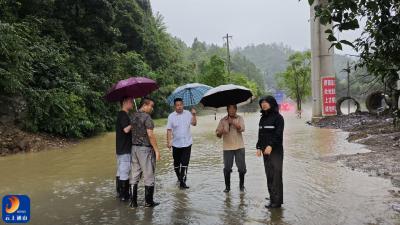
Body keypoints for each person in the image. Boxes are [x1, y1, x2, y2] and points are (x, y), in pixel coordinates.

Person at [129, 97, 161, 208]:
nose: (152, 108)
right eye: (151, 106)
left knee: (134, 175)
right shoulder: (147, 117)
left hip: (134, 148)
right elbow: (150, 135)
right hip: (145, 149)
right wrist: (157, 151)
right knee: (149, 175)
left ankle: (133, 203)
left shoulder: (133, 116)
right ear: (145, 105)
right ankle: (148, 202)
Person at [256, 96, 285, 208]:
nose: (263, 104)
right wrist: (258, 147)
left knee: (277, 176)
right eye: (261, 102)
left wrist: (271, 146)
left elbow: (278, 135)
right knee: (269, 175)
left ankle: (277, 203)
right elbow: (260, 135)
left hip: (276, 151)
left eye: (265, 102)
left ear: (271, 103)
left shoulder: (278, 118)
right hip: (265, 152)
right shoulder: (262, 118)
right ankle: (272, 198)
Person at [166, 98, 197, 189]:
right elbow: (169, 130)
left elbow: (194, 124)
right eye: (177, 105)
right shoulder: (171, 116)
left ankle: (182, 182)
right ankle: (179, 178)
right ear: (175, 106)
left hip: (187, 143)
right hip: (176, 144)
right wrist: (168, 142)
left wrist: (194, 115)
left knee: (185, 162)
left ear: (183, 105)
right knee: (176, 163)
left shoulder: (188, 113)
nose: (179, 107)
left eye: (181, 105)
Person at [216, 104, 246, 193]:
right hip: (227, 148)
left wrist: (232, 122)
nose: (232, 111)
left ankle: (241, 186)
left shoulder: (239, 118)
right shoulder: (222, 120)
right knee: (227, 169)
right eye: (230, 109)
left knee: (242, 169)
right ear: (227, 110)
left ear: (236, 110)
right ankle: (227, 188)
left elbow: (242, 129)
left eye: (234, 109)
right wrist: (222, 131)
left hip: (239, 146)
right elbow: (218, 135)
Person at [115, 97, 133, 202]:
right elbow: (126, 129)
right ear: (125, 102)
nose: (132, 103)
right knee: (125, 172)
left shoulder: (121, 114)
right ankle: (124, 196)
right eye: (130, 102)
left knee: (120, 171)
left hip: (120, 148)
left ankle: (119, 192)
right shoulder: (123, 115)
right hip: (125, 149)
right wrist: (133, 122)